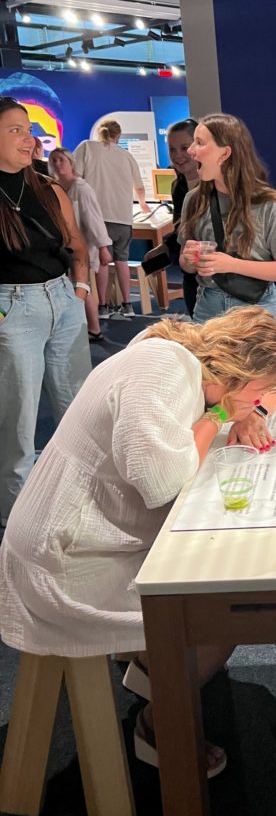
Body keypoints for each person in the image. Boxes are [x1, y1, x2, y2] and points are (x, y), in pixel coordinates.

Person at [0, 306, 276, 777]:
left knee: (215, 573)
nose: (261, 402)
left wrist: (236, 410)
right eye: (260, 392)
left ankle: (153, 671)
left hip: (75, 540)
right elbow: (162, 482)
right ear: (239, 373)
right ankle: (160, 720)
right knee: (226, 604)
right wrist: (221, 413)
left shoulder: (174, 355)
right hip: (63, 562)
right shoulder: (163, 370)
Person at [0, 97, 92, 526]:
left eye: (27, 128)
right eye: (14, 129)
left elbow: (76, 242)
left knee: (77, 407)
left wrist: (80, 287)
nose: (27, 138)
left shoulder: (47, 186)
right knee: (17, 420)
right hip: (12, 308)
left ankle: (81, 499)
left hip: (63, 300)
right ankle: (17, 522)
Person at [179, 113, 276, 324]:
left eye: (199, 143)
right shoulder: (193, 200)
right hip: (208, 308)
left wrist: (231, 265)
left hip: (257, 311)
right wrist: (189, 260)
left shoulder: (269, 204)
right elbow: (185, 263)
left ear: (225, 153)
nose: (190, 151)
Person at [73, 119, 151, 320]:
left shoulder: (87, 148)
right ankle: (127, 304)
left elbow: (76, 178)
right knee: (122, 260)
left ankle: (103, 305)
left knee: (102, 262)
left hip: (97, 217)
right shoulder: (126, 156)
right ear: (119, 136)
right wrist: (142, 204)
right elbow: (139, 187)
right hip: (123, 217)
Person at [48, 146, 112, 342]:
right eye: (55, 160)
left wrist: (103, 247)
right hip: (62, 247)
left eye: (62, 160)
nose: (58, 164)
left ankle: (94, 328)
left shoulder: (82, 188)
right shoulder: (55, 187)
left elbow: (93, 218)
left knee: (81, 285)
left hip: (82, 247)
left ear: (71, 163)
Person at [165, 117, 200, 317]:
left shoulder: (218, 187)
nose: (178, 155)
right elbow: (182, 228)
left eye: (184, 147)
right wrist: (166, 247)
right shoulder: (178, 187)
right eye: (172, 149)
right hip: (190, 276)